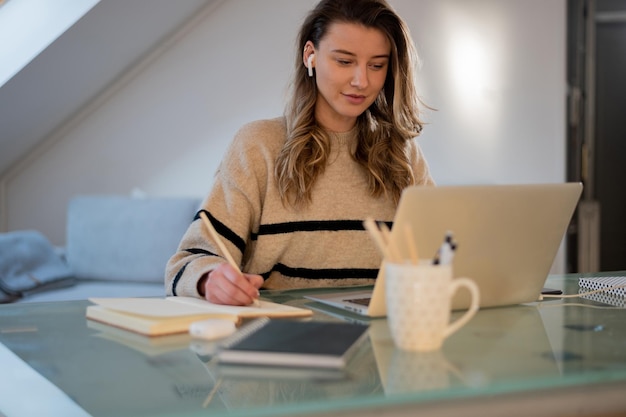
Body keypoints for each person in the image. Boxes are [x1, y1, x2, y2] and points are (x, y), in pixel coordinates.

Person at [165, 0, 434, 305]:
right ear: (311, 55)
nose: (362, 81)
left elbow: (439, 259)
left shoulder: (404, 155)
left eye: (377, 65)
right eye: (344, 61)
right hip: (280, 337)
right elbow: (187, 262)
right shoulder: (258, 145)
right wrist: (209, 279)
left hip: (381, 337)